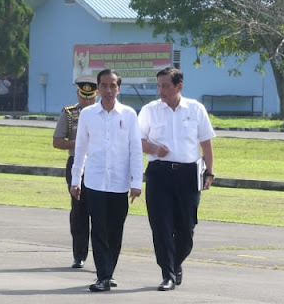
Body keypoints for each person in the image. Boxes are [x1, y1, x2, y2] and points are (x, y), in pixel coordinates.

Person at [138, 67, 215, 291]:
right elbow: (137, 140)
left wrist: (210, 172)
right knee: (161, 226)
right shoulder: (150, 110)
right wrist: (152, 147)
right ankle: (168, 274)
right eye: (158, 85)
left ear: (179, 86)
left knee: (186, 228)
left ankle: (175, 262)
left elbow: (206, 143)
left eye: (165, 86)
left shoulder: (195, 109)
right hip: (159, 173)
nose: (161, 90)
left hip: (188, 174)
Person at [70, 69, 143, 292]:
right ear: (98, 88)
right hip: (95, 181)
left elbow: (136, 150)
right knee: (99, 230)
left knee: (115, 231)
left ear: (119, 88)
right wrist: (76, 179)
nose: (109, 90)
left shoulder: (129, 114)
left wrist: (137, 182)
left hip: (120, 183)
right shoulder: (88, 114)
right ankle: (103, 275)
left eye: (113, 86)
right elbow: (80, 148)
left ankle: (108, 272)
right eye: (104, 85)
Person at [52, 75, 97, 269]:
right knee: (79, 211)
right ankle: (79, 254)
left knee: (99, 211)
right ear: (78, 94)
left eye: (90, 97)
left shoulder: (103, 113)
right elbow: (57, 141)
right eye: (83, 97)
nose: (86, 101)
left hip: (98, 164)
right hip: (76, 163)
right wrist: (80, 144)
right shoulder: (70, 114)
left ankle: (102, 255)